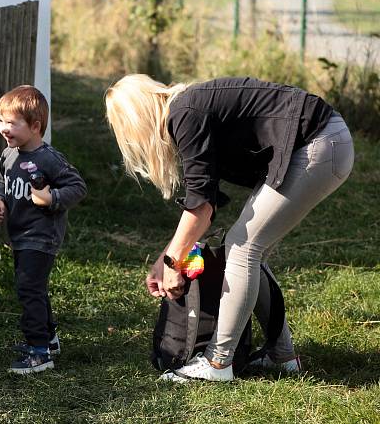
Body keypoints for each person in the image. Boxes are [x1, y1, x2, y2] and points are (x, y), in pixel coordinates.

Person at [104, 74, 354, 382]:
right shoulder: (189, 110)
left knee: (243, 248)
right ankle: (283, 357)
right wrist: (165, 259)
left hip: (320, 141)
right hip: (325, 139)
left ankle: (218, 363)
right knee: (248, 250)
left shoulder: (185, 112)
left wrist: (173, 262)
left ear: (136, 120)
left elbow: (201, 206)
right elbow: (206, 200)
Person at [0, 85, 87, 374]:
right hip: (19, 235)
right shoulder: (9, 156)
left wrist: (52, 198)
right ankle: (49, 339)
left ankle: (39, 353)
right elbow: (2, 182)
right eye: (1, 122)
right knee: (35, 289)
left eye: (12, 123)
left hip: (41, 237)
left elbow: (78, 187)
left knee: (28, 289)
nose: (4, 129)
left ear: (35, 126)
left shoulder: (48, 159)